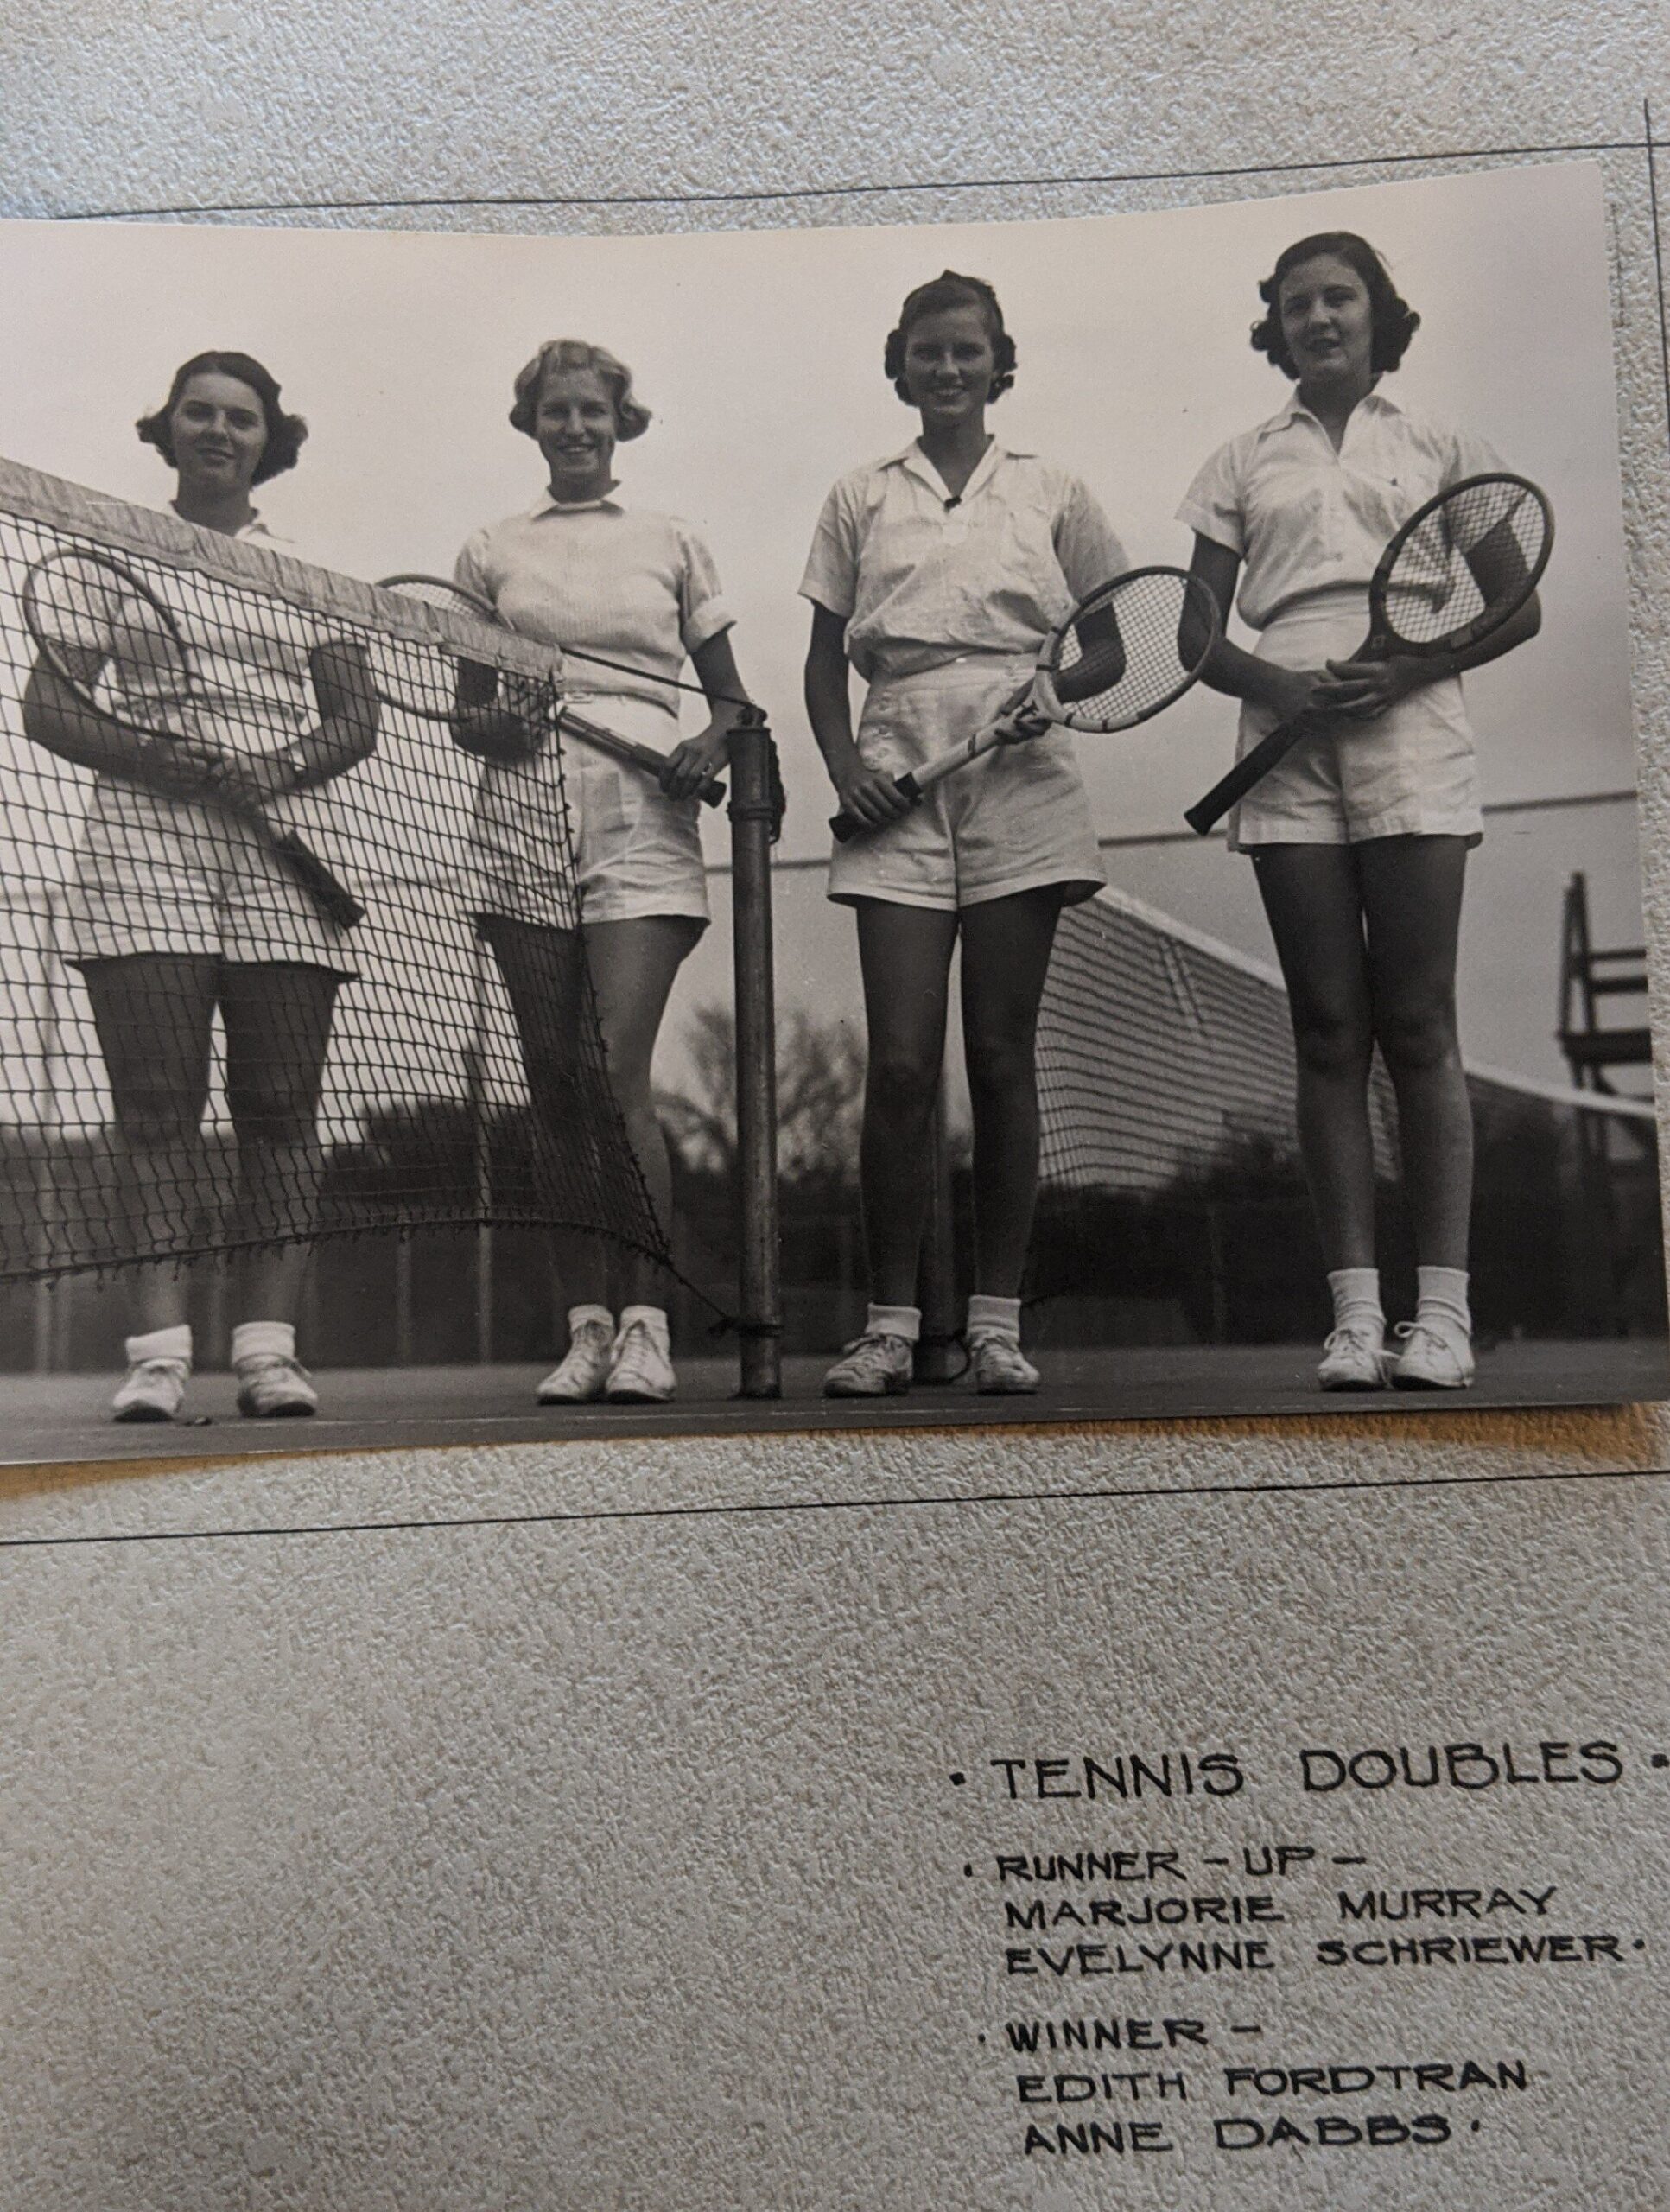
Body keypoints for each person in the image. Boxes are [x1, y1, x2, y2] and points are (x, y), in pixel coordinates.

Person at [1178, 232, 1541, 1391]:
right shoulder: (1239, 459)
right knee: (1328, 1031)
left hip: (1412, 727)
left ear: (1380, 316)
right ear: (1273, 325)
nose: (1319, 318)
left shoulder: (1438, 442)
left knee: (1421, 1025)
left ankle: (1441, 1318)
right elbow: (1195, 636)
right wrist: (1278, 684)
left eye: (1340, 298)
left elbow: (1515, 612)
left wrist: (1401, 673)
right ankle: (1354, 1319)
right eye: (1297, 304)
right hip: (1283, 744)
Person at [22, 350, 379, 1421]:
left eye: (241, 417)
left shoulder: (312, 569)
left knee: (279, 1103)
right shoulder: (107, 551)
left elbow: (353, 720)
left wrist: (274, 767)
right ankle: (160, 1356)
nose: (219, 431)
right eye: (199, 413)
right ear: (168, 429)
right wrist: (151, 755)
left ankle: (269, 1353)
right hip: (144, 846)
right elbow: (51, 708)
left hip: (289, 847)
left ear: (272, 439)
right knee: (155, 1104)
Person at [801, 270, 1127, 1398]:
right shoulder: (858, 496)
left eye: (968, 350)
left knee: (998, 1053)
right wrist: (851, 769)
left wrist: (1050, 692)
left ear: (998, 362)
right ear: (903, 364)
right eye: (928, 352)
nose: (948, 368)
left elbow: (1108, 653)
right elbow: (820, 666)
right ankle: (890, 1328)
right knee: (898, 1066)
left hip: (1023, 775)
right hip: (897, 772)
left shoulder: (1055, 490)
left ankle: (994, 1323)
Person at [450, 339, 755, 1404]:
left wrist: (707, 748)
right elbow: (469, 719)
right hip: (522, 814)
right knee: (555, 1085)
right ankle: (583, 1328)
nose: (573, 427)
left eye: (592, 411)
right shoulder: (489, 548)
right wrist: (507, 718)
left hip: (643, 819)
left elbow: (731, 703)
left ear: (623, 422)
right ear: (529, 423)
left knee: (614, 1067)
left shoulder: (673, 538)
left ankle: (647, 1323)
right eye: (553, 412)